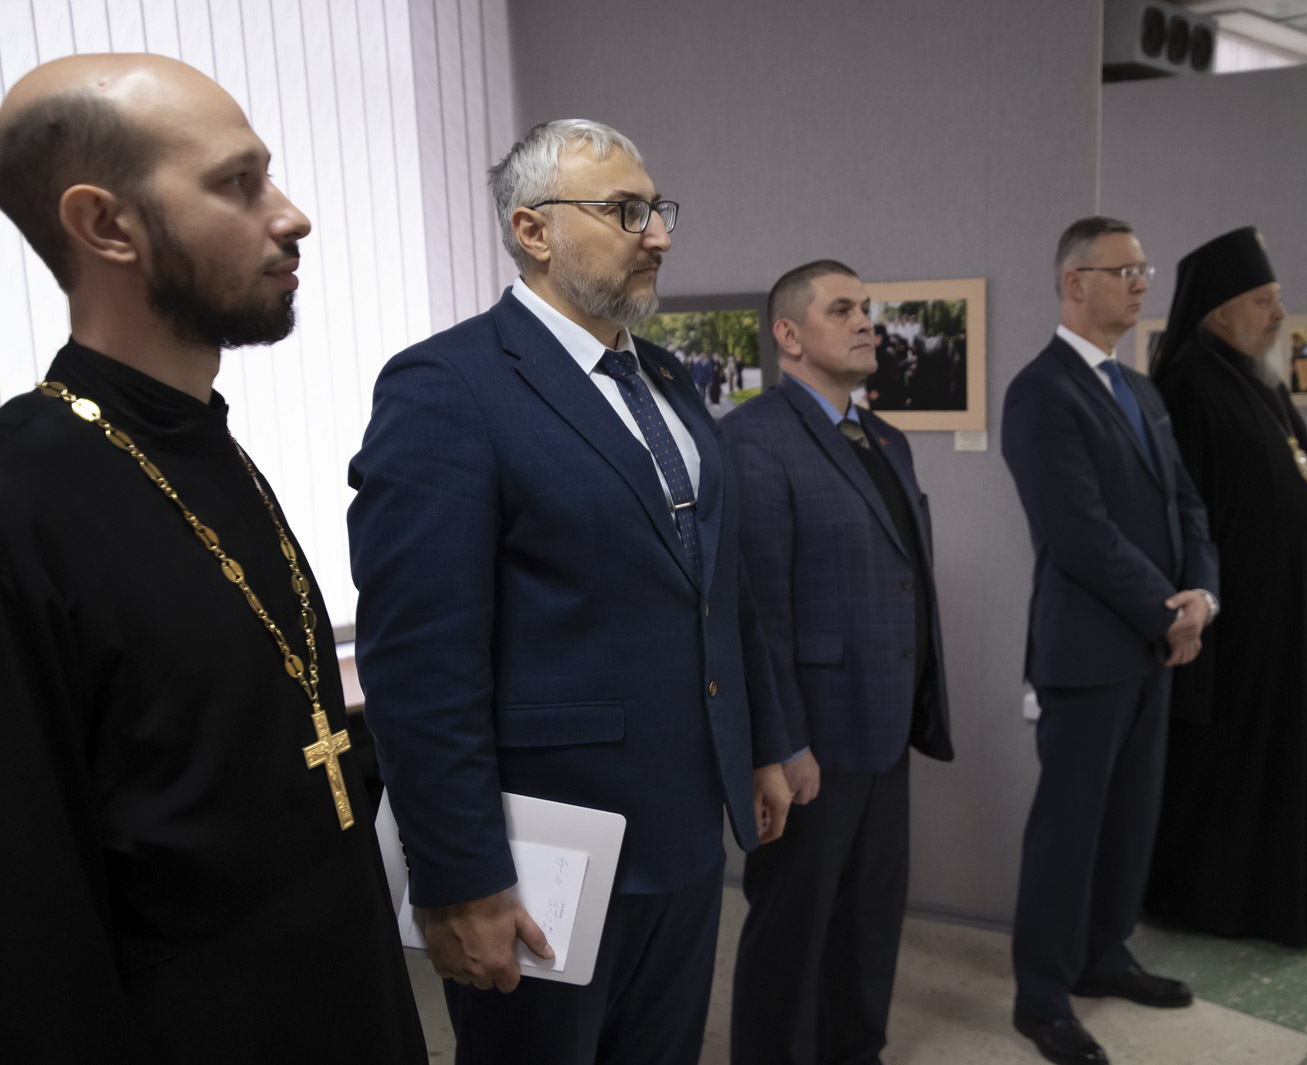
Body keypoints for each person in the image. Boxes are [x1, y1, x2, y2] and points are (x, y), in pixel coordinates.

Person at [0, 54, 426, 1063]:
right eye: (239, 183)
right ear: (106, 225)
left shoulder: (201, 441)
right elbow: (33, 921)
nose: (293, 216)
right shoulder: (23, 496)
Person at [346, 119, 793, 1065]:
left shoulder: (663, 377)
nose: (658, 235)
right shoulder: (448, 385)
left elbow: (719, 586)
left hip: (685, 830)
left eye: (658, 211)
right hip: (544, 850)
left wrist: (760, 744)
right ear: (533, 230)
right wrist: (459, 875)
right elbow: (421, 664)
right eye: (626, 211)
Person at [724, 260, 955, 1065]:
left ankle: (855, 1052)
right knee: (793, 928)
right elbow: (759, 613)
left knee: (870, 919)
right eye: (843, 308)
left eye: (867, 308)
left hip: (884, 724)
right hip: (811, 741)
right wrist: (783, 744)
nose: (866, 322)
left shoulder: (885, 438)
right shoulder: (753, 439)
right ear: (788, 335)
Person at [1001, 216, 1219, 1065]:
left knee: (1130, 818)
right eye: (1122, 270)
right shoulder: (1040, 392)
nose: (1139, 284)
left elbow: (1186, 504)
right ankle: (1041, 994)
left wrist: (1200, 597)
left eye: (1143, 270)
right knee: (1069, 828)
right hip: (1088, 652)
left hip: (1154, 646)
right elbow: (1078, 533)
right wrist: (1168, 614)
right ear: (1073, 282)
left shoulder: (1141, 389)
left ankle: (1103, 951)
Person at [1145, 227, 1307, 947]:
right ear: (1219, 310)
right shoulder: (1188, 388)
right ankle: (1223, 902)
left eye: (1277, 298)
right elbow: (1182, 520)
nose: (1279, 314)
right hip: (1240, 629)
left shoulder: (1260, 382)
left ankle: (1290, 892)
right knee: (1236, 768)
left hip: (1292, 619)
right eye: (1263, 300)